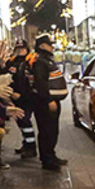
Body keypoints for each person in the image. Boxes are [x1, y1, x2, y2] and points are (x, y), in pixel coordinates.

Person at [32, 35, 67, 171]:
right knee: (47, 131)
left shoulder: (46, 60)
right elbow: (40, 83)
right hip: (45, 103)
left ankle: (51, 155)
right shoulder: (40, 61)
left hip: (51, 101)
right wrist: (49, 100)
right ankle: (47, 160)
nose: (52, 47)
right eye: (49, 44)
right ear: (42, 46)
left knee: (52, 130)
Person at [6, 41, 37, 158]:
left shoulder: (30, 62)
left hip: (26, 97)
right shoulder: (13, 62)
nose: (20, 51)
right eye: (18, 49)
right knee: (21, 122)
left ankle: (31, 147)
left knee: (25, 121)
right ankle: (26, 144)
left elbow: (30, 82)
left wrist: (22, 95)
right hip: (15, 96)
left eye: (22, 48)